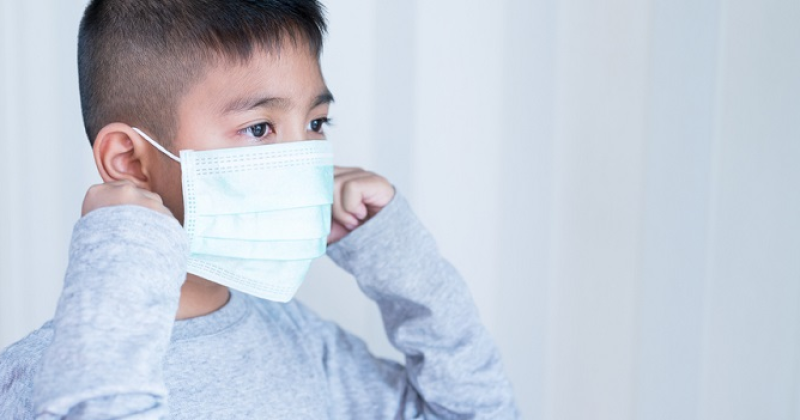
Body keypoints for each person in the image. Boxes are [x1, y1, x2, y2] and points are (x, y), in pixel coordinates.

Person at [0, 0, 518, 418]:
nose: (302, 160)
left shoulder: (303, 343)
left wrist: (396, 252)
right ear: (131, 161)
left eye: (316, 124)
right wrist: (121, 247)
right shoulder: (42, 379)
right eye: (259, 128)